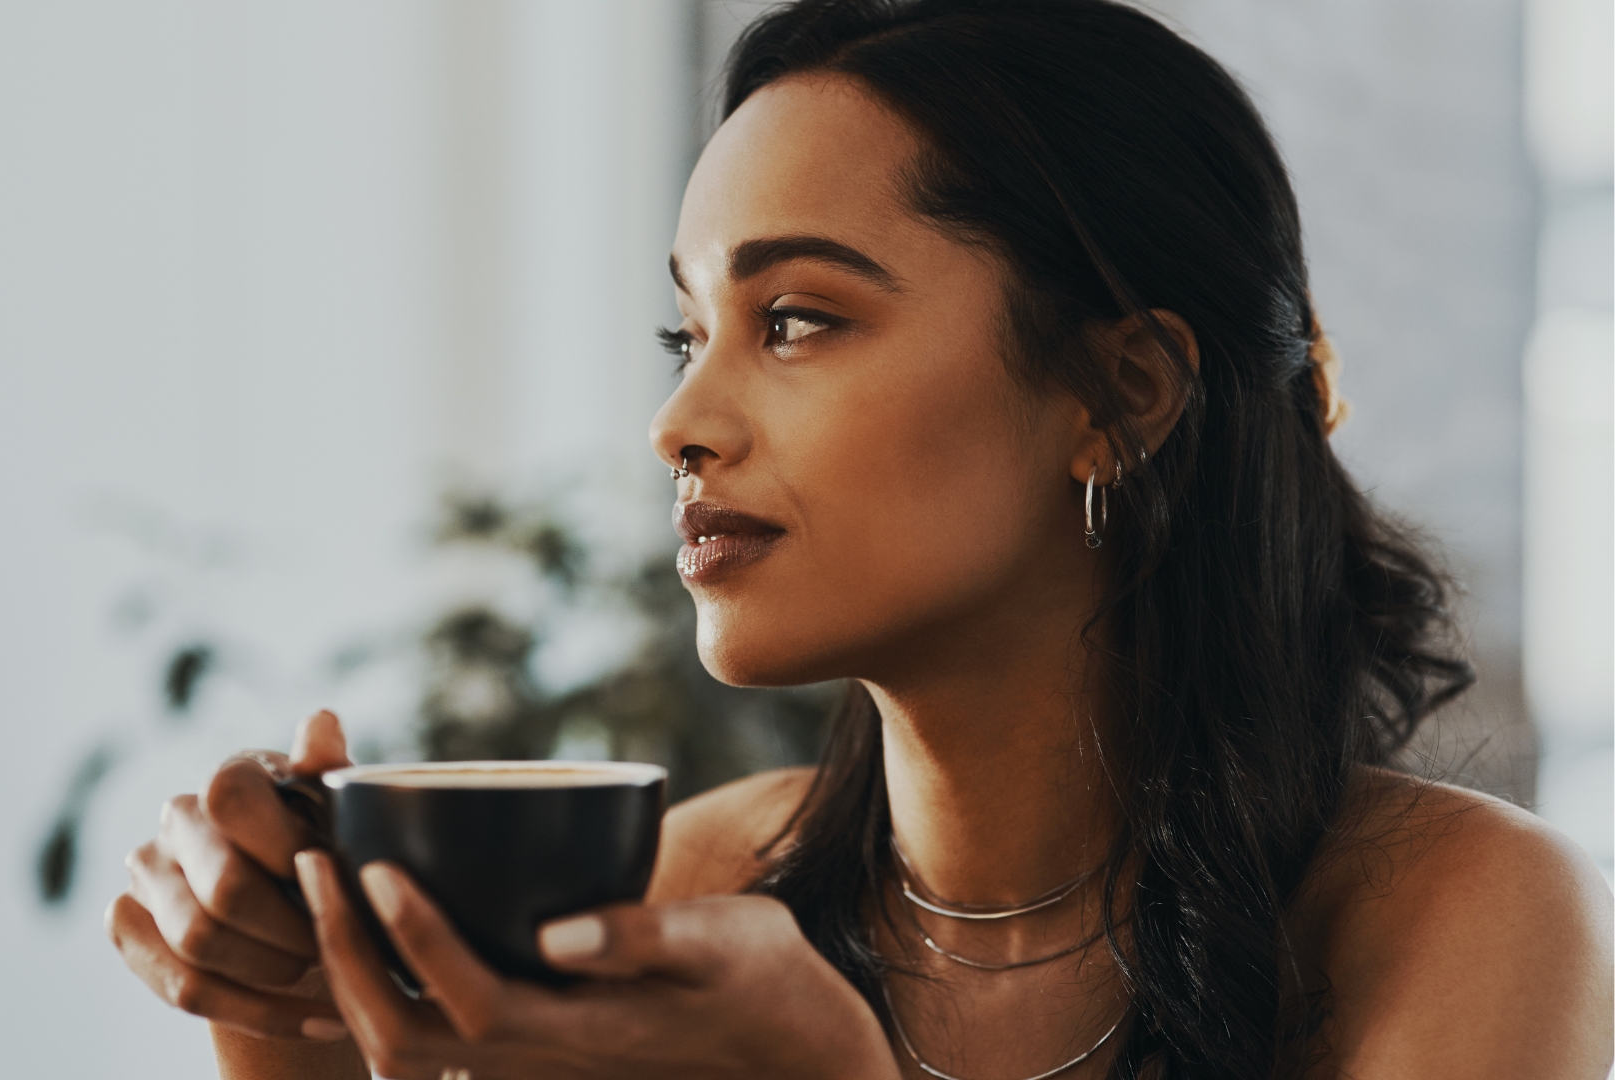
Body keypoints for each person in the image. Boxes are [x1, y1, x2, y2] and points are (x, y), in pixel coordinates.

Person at [106, 1, 1614, 1076]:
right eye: (684, 331)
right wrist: (300, 1025)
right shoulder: (687, 887)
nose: (679, 421)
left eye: (798, 321)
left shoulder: (1464, 921)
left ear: (1120, 392)